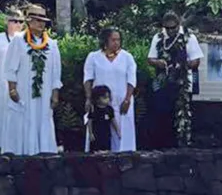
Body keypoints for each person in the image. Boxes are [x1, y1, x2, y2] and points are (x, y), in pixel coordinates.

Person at [0, 4, 62, 156]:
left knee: (43, 117)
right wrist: (12, 89)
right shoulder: (18, 41)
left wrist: (55, 93)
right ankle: (21, 150)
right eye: (37, 20)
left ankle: (44, 149)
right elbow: (10, 67)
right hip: (24, 89)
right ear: (29, 21)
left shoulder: (52, 45)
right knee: (23, 116)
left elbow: (56, 71)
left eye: (43, 21)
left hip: (45, 90)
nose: (41, 24)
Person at [146, 11, 204, 148]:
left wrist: (182, 65)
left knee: (182, 114)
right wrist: (158, 62)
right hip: (164, 81)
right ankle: (163, 144)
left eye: (173, 27)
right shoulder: (158, 37)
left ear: (179, 25)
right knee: (162, 112)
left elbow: (196, 61)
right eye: (168, 28)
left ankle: (182, 144)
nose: (171, 31)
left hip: (183, 83)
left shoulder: (189, 37)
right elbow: (150, 59)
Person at [84, 27, 138, 152]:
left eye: (118, 40)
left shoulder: (127, 57)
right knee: (100, 132)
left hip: (122, 101)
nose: (116, 43)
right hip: (100, 103)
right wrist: (88, 98)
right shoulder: (93, 57)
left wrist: (127, 100)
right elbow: (88, 78)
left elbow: (131, 80)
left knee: (123, 132)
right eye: (113, 40)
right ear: (105, 41)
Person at [0, 8, 25, 149]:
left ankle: (14, 143)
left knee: (16, 112)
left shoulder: (25, 40)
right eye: (14, 21)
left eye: (21, 21)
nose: (18, 24)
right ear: (7, 22)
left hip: (19, 84)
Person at [86, 85, 121, 153]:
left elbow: (113, 121)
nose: (107, 99)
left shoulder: (109, 109)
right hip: (96, 135)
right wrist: (90, 133)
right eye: (105, 97)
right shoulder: (93, 109)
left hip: (106, 135)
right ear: (97, 98)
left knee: (106, 151)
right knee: (96, 151)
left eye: (108, 97)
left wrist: (118, 131)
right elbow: (89, 121)